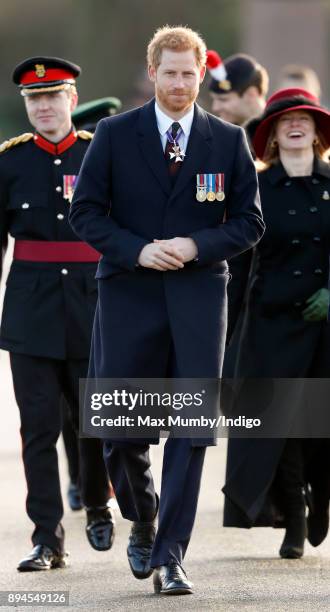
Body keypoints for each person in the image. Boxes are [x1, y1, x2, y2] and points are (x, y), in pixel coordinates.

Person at [69, 25, 264, 595]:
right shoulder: (112, 134)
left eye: (189, 73)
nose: (180, 83)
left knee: (190, 430)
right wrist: (138, 249)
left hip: (199, 301)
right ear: (152, 73)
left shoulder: (227, 142)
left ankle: (171, 554)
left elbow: (250, 222)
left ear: (201, 75)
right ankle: (144, 515)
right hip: (129, 295)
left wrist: (197, 245)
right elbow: (86, 212)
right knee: (121, 432)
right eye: (170, 72)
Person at [0, 57, 114, 571]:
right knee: (38, 429)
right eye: (34, 100)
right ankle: (47, 538)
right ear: (26, 106)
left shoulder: (100, 156)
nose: (43, 107)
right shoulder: (8, 163)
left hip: (92, 308)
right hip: (30, 312)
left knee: (93, 422)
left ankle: (95, 503)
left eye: (52, 97)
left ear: (72, 99)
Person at [223, 88, 330, 559]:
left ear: (317, 129)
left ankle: (321, 497)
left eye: (304, 118)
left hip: (325, 324)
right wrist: (225, 328)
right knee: (278, 424)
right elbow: (241, 264)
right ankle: (294, 514)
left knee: (318, 422)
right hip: (270, 323)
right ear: (271, 135)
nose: (295, 124)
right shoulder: (258, 189)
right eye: (285, 119)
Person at [61, 96, 122, 512]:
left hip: (115, 284)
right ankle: (81, 479)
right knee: (74, 401)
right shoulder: (72, 165)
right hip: (70, 290)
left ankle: (111, 475)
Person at [206, 50, 269, 127]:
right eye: (214, 99)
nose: (215, 108)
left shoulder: (277, 133)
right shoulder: (218, 135)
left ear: (251, 94)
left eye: (223, 99)